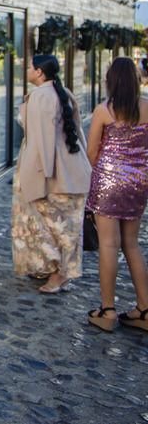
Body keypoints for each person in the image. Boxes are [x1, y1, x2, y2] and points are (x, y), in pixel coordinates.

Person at [12, 54, 90, 293]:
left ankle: (58, 273)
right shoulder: (63, 93)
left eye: (29, 67)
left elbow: (41, 142)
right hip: (71, 168)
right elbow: (77, 133)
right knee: (65, 227)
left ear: (39, 72)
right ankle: (54, 269)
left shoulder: (42, 97)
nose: (26, 70)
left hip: (51, 172)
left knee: (46, 225)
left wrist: (37, 177)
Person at [84, 57, 148, 332]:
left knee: (109, 244)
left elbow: (91, 151)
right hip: (138, 180)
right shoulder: (147, 107)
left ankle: (107, 309)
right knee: (131, 244)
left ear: (111, 81)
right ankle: (144, 308)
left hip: (109, 180)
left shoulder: (103, 110)